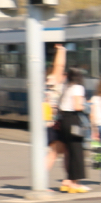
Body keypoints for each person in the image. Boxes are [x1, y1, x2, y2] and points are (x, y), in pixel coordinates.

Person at [58, 66, 89, 193]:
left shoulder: (67, 87)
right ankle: (75, 183)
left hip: (64, 120)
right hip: (73, 120)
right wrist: (87, 105)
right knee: (77, 152)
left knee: (69, 152)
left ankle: (68, 181)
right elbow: (77, 106)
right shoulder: (78, 88)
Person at [45, 45, 68, 188]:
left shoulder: (46, 84)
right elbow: (59, 66)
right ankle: (40, 181)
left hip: (49, 121)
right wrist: (61, 51)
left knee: (63, 152)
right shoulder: (54, 81)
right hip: (56, 122)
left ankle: (69, 180)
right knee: (54, 154)